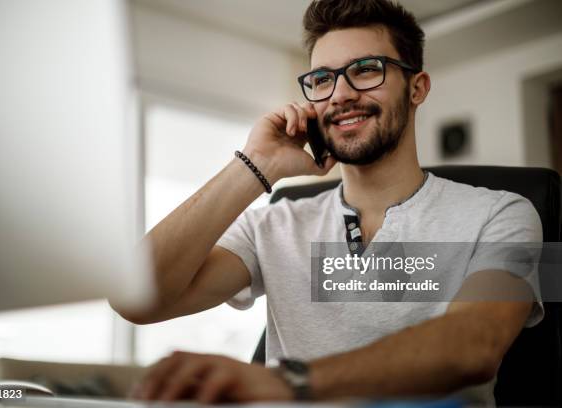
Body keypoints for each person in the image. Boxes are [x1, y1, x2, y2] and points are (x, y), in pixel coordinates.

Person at [114, 0, 543, 404]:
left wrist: (285, 381)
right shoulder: (273, 225)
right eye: (322, 79)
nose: (340, 95)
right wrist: (255, 166)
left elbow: (474, 344)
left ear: (417, 88)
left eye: (365, 70)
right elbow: (135, 299)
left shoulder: (508, 212)